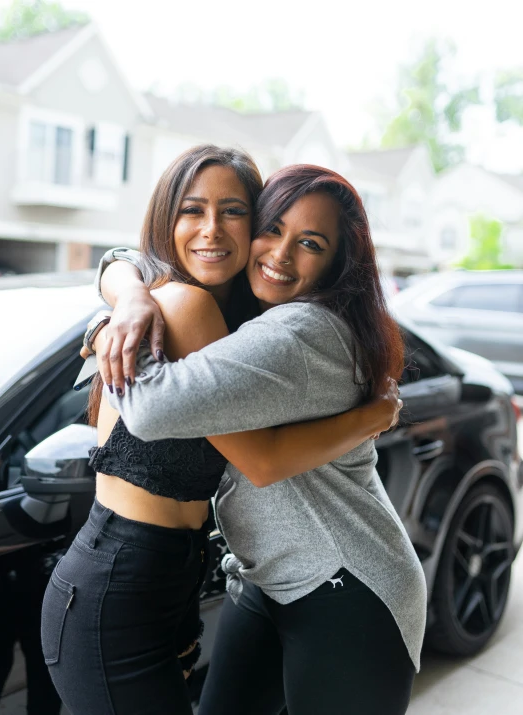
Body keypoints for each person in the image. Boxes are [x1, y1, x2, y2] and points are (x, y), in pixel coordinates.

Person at [41, 146, 401, 715]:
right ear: (168, 219)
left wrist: (125, 290)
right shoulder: (181, 302)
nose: (212, 230)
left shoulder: (241, 320)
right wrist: (371, 417)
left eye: (233, 211)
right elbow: (259, 459)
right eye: (192, 210)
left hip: (169, 586)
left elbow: (122, 261)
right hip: (116, 588)